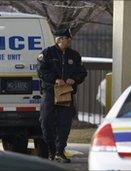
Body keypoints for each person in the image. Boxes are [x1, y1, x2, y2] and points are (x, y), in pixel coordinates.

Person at [37, 28, 87, 163]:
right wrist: (55, 79)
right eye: (67, 38)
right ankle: (51, 150)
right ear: (59, 39)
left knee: (64, 124)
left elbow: (82, 72)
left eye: (69, 38)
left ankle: (60, 152)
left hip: (66, 93)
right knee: (46, 121)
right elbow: (41, 71)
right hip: (50, 92)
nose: (69, 40)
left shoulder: (74, 55)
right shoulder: (47, 53)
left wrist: (74, 79)